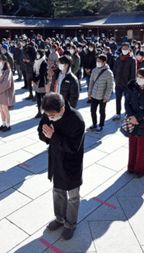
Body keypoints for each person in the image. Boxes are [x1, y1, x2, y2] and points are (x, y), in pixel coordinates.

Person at [38, 93, 85, 241]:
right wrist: (47, 135)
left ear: (63, 109)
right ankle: (59, 218)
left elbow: (73, 146)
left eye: (53, 114)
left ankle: (70, 224)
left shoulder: (77, 120)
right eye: (47, 114)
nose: (50, 117)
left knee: (73, 196)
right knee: (57, 191)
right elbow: (41, 131)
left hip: (71, 163)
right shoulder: (48, 112)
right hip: (56, 159)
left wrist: (53, 136)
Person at [87, 54, 114, 133]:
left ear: (104, 62)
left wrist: (106, 96)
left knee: (102, 111)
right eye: (97, 61)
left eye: (99, 61)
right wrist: (89, 92)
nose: (98, 62)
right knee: (93, 110)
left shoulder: (108, 72)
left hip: (102, 96)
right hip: (94, 95)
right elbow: (91, 82)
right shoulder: (94, 70)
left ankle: (101, 125)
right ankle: (94, 124)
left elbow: (110, 86)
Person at [0, 54, 15, 132]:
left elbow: (6, 83)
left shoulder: (7, 70)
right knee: (1, 109)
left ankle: (8, 125)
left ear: (5, 61)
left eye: (1, 60)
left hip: (4, 92)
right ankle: (3, 123)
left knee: (5, 109)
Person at [113, 43, 136, 121]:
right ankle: (118, 113)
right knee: (118, 99)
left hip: (127, 84)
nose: (124, 50)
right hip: (118, 83)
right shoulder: (118, 58)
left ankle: (127, 114)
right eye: (123, 48)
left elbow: (133, 73)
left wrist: (131, 84)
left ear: (129, 49)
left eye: (126, 48)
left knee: (127, 100)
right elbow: (115, 69)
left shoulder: (132, 59)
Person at [33, 49, 48, 118]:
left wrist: (35, 79)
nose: (37, 54)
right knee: (38, 97)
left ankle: (45, 112)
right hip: (36, 80)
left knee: (43, 97)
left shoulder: (44, 62)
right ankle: (39, 111)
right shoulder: (36, 61)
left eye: (39, 53)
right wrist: (33, 79)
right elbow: (34, 70)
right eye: (37, 53)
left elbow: (42, 73)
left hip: (41, 81)